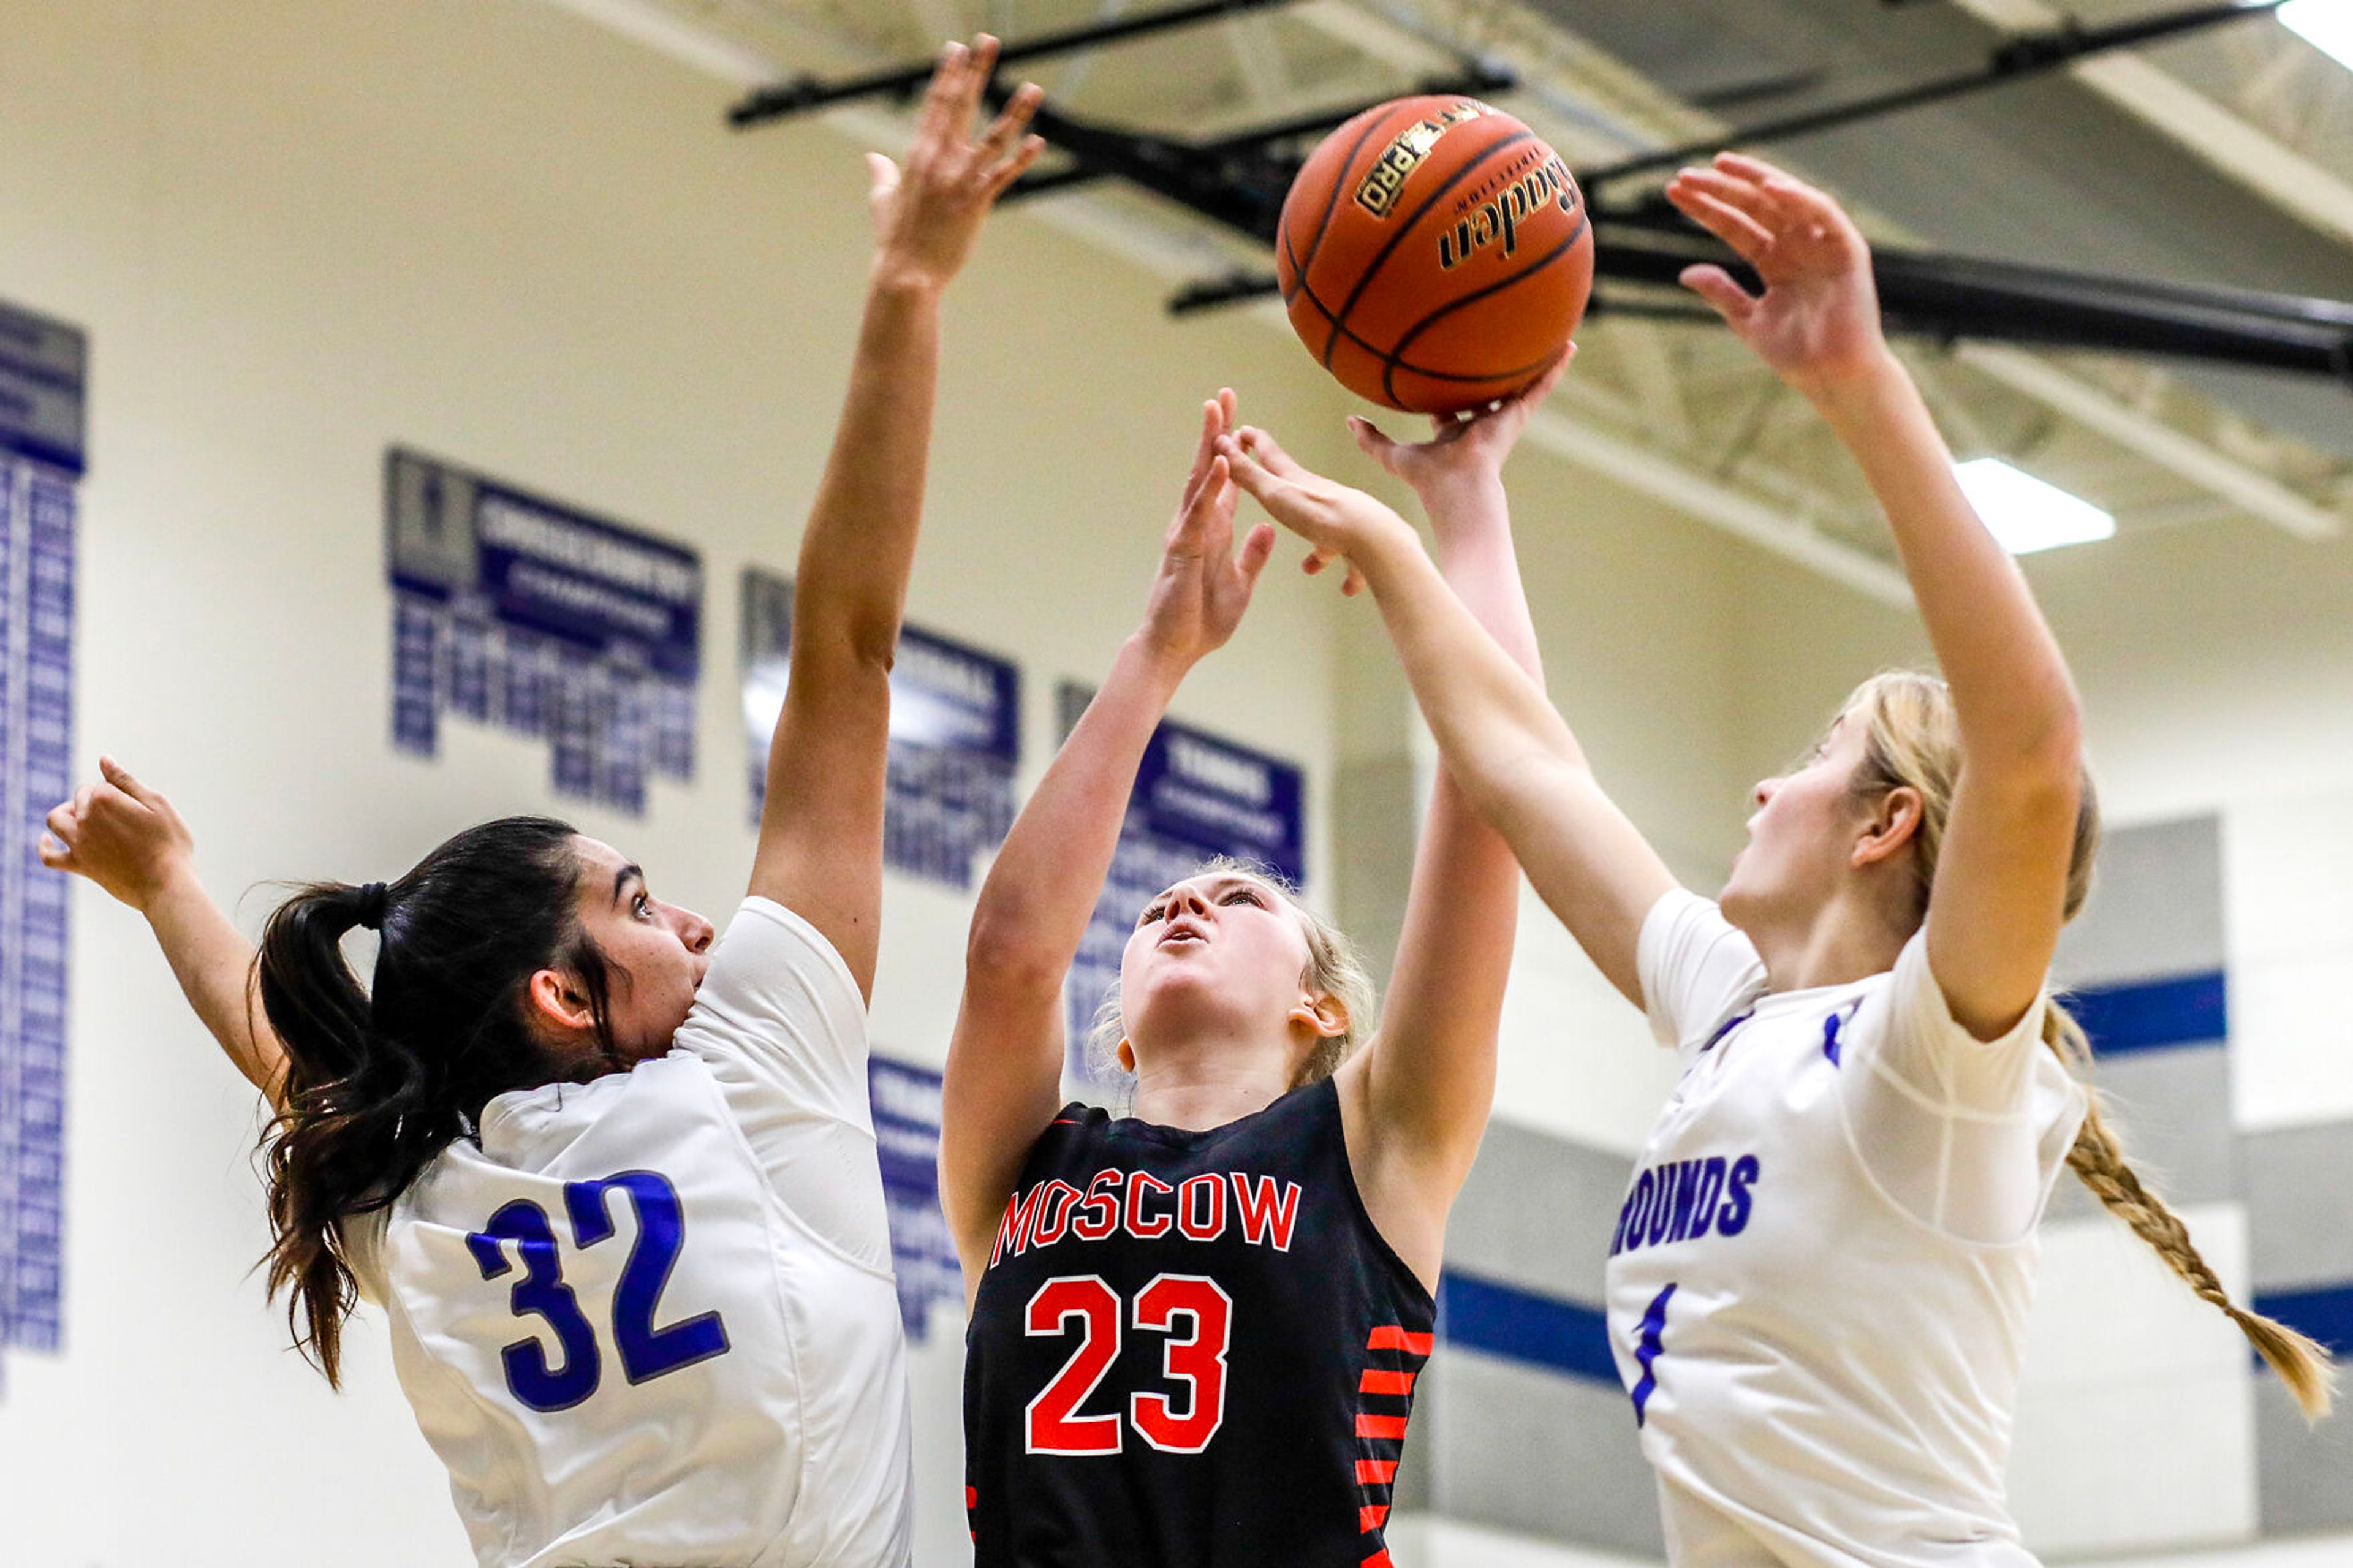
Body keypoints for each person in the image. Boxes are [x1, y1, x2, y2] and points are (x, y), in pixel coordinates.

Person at [1215, 151, 2333, 1567]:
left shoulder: (1927, 1060)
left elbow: (2034, 748)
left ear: (1887, 824)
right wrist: (1454, 511)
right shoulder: (1734, 1010)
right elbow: (1521, 761)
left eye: (1812, 752)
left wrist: (1862, 388)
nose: (1761, 779)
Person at [39, 40, 1042, 1568]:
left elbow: (282, 1046)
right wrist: (907, 295)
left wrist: (172, 881)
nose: (694, 915)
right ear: (564, 992)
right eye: (638, 902)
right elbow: (844, 650)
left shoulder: (426, 1195)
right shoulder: (747, 1055)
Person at [940, 360, 1566, 1566]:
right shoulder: (1026, 1164)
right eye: (1159, 905)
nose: (1180, 899)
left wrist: (1467, 508)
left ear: (1316, 1004)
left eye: (1237, 899)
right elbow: (1011, 953)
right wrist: (1159, 651)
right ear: (1117, 1030)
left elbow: (1495, 801)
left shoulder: (1373, 1146)